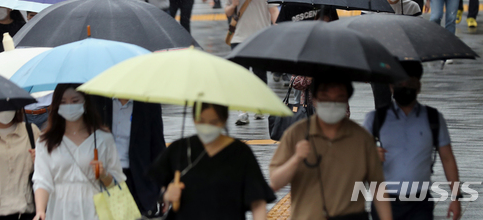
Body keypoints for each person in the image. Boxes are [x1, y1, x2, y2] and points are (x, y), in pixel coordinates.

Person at [269, 78, 392, 220]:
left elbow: (378, 188)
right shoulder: (296, 134)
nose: (332, 104)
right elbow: (276, 182)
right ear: (314, 100)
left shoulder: (361, 138)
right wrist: (296, 158)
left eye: (339, 98)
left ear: (346, 100)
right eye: (325, 98)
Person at [363, 62, 462, 220]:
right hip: (385, 200)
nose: (404, 87)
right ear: (391, 86)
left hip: (420, 203)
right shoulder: (375, 119)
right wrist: (370, 155)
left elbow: (447, 159)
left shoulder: (433, 119)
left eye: (410, 83)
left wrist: (456, 197)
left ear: (419, 86)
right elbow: (356, 157)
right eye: (399, 83)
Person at [149, 102, 275, 220]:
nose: (207, 127)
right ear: (194, 118)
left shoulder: (241, 153)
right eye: (201, 121)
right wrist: (165, 195)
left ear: (224, 120)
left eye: (214, 122)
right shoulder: (180, 149)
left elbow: (258, 202)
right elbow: (152, 182)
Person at [32, 84, 125, 220]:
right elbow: (42, 179)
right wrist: (40, 210)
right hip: (60, 209)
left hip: (94, 210)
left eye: (75, 101)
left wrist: (104, 174)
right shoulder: (46, 140)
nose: (69, 106)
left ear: (85, 103)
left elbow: (118, 181)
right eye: (63, 102)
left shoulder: (103, 138)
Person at [94, 97, 166, 217]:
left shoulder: (149, 105)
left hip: (138, 182)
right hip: (105, 177)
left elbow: (158, 148)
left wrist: (163, 187)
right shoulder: (99, 102)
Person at [225, 0, 278, 125]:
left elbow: (273, 10)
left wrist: (278, 27)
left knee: (260, 75)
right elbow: (227, 11)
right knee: (240, 77)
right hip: (238, 38)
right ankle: (242, 111)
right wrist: (233, 5)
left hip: (260, 38)